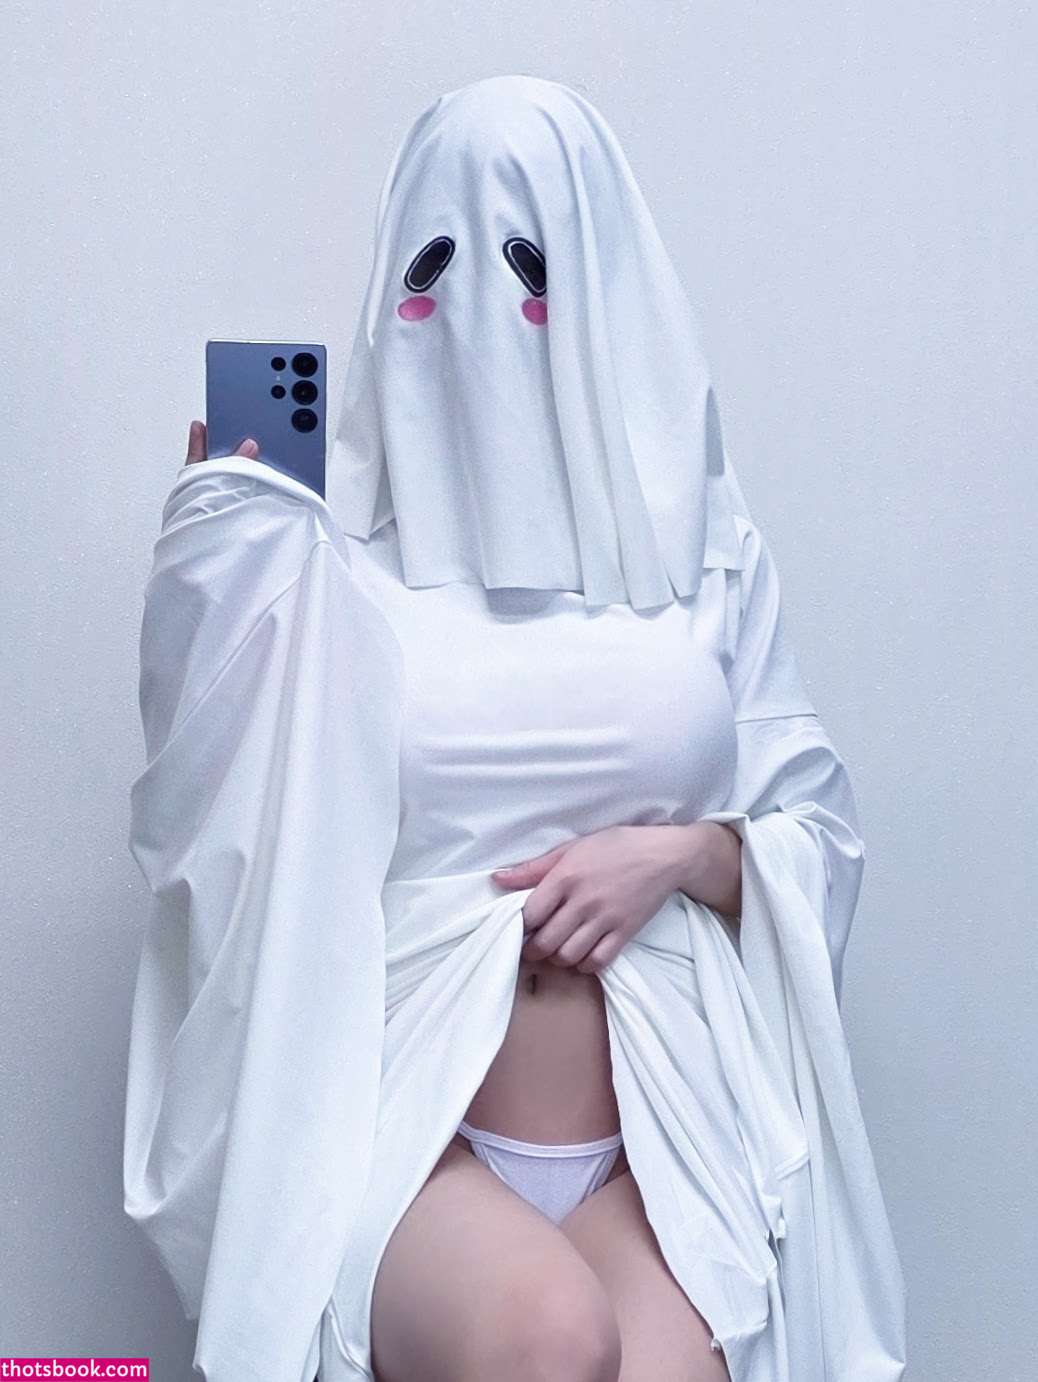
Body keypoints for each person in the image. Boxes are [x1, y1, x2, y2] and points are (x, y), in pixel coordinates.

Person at [123, 76, 906, 1382]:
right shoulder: (334, 570)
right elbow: (216, 836)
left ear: (602, 281)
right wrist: (224, 546)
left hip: (663, 1148)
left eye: (529, 264)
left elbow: (815, 835)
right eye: (427, 267)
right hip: (410, 1145)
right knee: (547, 1339)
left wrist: (683, 854)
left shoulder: (703, 558)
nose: (476, 308)